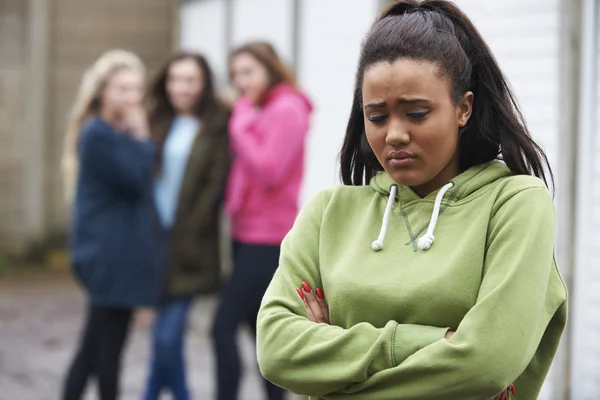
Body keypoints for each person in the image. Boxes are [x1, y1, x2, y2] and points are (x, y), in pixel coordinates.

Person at [256, 1, 568, 400]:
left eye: (417, 113)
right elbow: (276, 351)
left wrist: (332, 359)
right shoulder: (328, 213)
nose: (395, 134)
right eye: (377, 116)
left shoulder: (514, 205)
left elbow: (486, 365)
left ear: (463, 108)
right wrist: (431, 341)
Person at [212, 41, 313, 400]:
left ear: (270, 69)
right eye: (235, 74)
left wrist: (240, 125)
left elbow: (269, 170)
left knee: (222, 326)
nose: (240, 81)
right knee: (259, 328)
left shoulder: (286, 108)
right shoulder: (261, 109)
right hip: (245, 231)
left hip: (266, 236)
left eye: (248, 72)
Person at [61, 50, 159, 400]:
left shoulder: (112, 134)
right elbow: (136, 180)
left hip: (117, 254)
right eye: (122, 89)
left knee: (103, 347)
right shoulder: (98, 134)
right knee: (99, 349)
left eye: (136, 89)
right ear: (102, 91)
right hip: (105, 255)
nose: (132, 98)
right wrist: (143, 135)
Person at [142, 52, 231, 400]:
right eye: (174, 79)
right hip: (154, 241)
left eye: (190, 80)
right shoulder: (155, 120)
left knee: (166, 336)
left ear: (204, 84)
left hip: (191, 244)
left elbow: (215, 186)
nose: (181, 87)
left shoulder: (216, 124)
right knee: (162, 338)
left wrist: (192, 229)